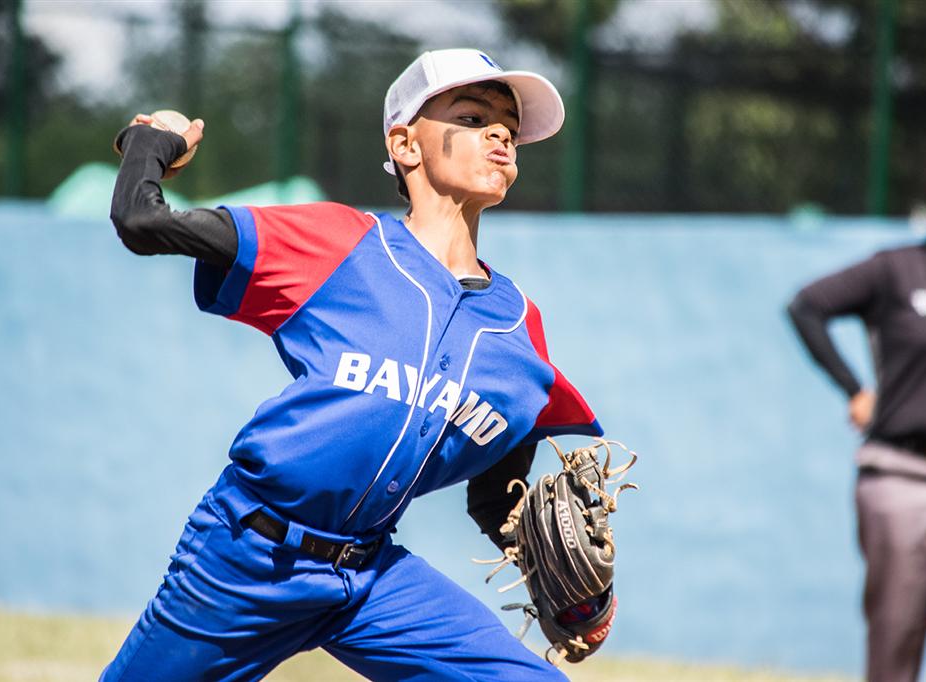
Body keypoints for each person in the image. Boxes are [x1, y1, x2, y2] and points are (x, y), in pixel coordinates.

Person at [102, 48, 605, 681]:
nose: (501, 133)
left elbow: (495, 498)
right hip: (248, 557)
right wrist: (151, 142)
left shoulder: (517, 330)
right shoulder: (338, 245)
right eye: (473, 117)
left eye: (508, 126)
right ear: (406, 145)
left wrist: (558, 573)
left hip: (370, 581)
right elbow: (141, 219)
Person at [787, 143, 926, 682]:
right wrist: (854, 388)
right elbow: (807, 305)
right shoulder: (900, 270)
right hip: (901, 475)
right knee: (896, 639)